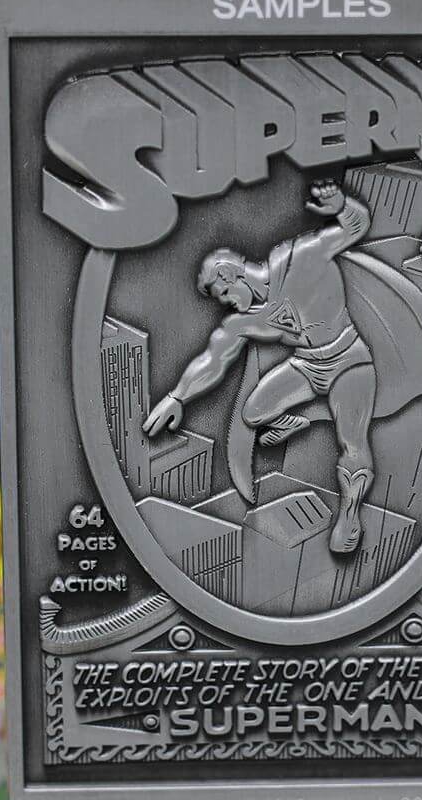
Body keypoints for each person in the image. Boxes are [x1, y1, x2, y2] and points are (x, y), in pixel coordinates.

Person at [144, 180, 377, 554]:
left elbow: (356, 228)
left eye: (224, 294)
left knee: (353, 440)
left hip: (349, 359)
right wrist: (178, 397)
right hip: (307, 366)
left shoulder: (300, 257)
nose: (228, 305)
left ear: (230, 274)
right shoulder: (244, 321)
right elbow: (213, 359)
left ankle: (350, 515)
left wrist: (341, 205)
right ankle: (308, 416)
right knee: (253, 412)